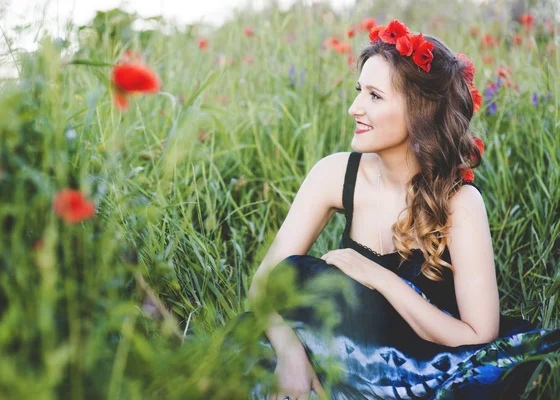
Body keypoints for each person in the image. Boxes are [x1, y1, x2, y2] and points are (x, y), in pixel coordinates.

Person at [225, 19, 560, 399]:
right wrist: (291, 358)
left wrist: (378, 277)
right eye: (358, 91)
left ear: (419, 112)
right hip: (348, 348)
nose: (354, 108)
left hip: (422, 364)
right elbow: (265, 284)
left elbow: (479, 335)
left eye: (375, 96)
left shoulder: (459, 202)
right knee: (286, 297)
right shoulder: (334, 174)